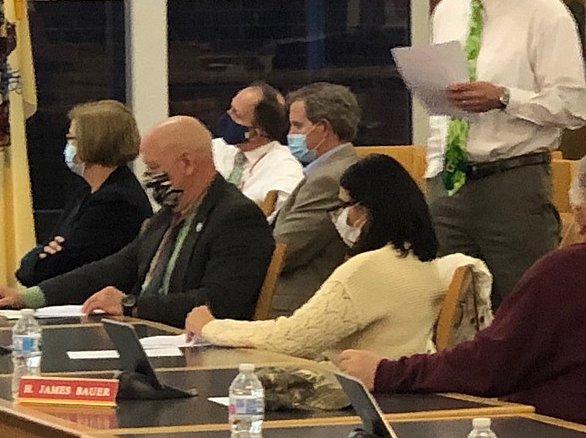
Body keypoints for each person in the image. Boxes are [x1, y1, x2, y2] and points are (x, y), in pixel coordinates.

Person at [338, 148, 586, 438]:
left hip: (562, 426)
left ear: (581, 215)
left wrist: (387, 372)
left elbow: (490, 365)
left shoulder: (562, 273)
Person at [426, 0, 586, 305]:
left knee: (523, 303)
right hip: (450, 178)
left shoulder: (544, 12)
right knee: (449, 305)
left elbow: (572, 106)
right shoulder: (448, 10)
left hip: (512, 180)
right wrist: (435, 169)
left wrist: (503, 97)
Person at [0, 116, 274, 329]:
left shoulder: (235, 218)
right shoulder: (167, 215)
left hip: (195, 351)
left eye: (154, 168)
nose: (147, 177)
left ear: (187, 163)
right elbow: (116, 266)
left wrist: (131, 305)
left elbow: (221, 302)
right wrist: (27, 298)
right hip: (149, 336)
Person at [184, 155, 447, 360]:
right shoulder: (421, 260)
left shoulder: (369, 268)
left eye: (344, 206)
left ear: (366, 209)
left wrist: (211, 327)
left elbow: (293, 338)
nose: (341, 217)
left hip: (352, 392)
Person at [15, 100, 152, 286]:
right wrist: (39, 256)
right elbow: (46, 251)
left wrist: (39, 259)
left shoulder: (116, 202)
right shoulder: (86, 192)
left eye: (72, 139)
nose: (68, 146)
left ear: (93, 142)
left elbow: (53, 268)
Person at [269, 82, 360, 316]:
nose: (289, 135)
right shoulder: (325, 171)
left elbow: (284, 249)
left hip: (295, 305)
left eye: (297, 126)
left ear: (323, 128)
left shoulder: (330, 178)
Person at [212, 82, 302, 217]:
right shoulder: (216, 148)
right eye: (230, 108)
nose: (227, 116)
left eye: (236, 114)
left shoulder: (285, 170)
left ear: (255, 133)